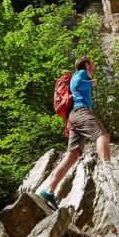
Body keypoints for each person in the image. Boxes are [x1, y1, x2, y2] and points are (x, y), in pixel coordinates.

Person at [39, 55, 111, 210]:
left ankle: (49, 190)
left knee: (73, 154)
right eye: (92, 65)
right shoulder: (81, 73)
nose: (93, 68)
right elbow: (77, 84)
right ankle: (108, 170)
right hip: (80, 111)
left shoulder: (78, 75)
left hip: (72, 117)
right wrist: (90, 82)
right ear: (86, 64)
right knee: (102, 135)